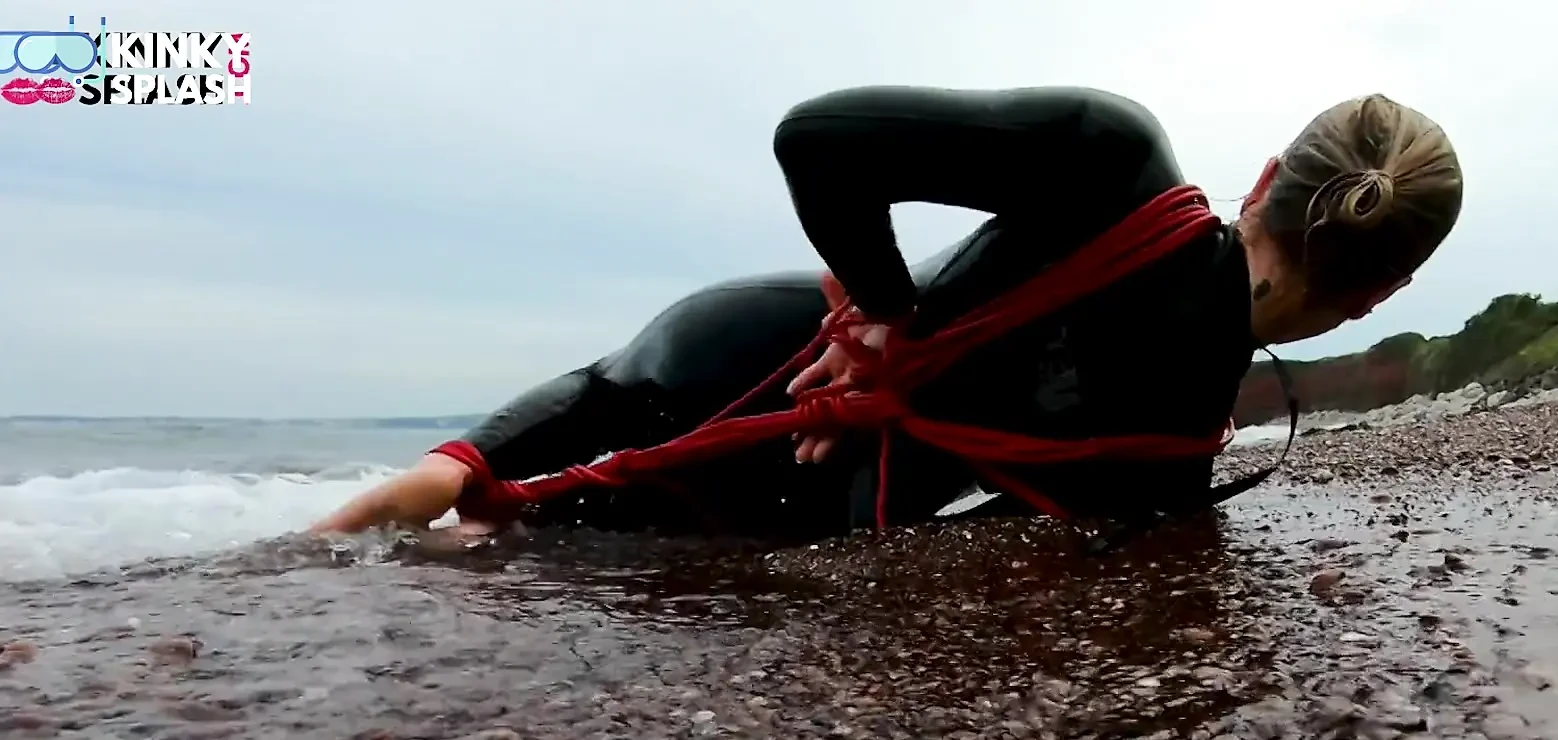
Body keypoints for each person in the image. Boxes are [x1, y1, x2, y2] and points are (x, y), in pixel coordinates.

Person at [310, 86, 1463, 540]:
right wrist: (902, 338)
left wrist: (882, 311)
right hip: (782, 494)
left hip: (728, 359)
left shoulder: (1111, 159)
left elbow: (818, 142)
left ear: (1263, 178)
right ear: (1382, 297)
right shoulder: (1173, 455)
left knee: (425, 509)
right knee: (496, 551)